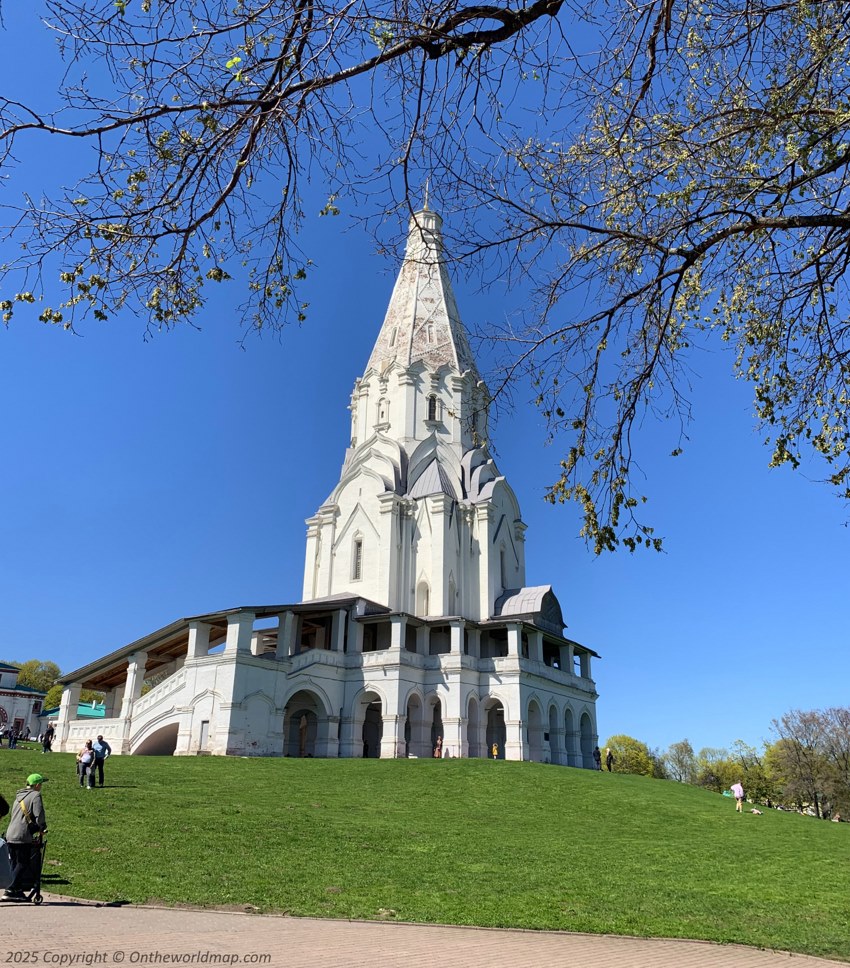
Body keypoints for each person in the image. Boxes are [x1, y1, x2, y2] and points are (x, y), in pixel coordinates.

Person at [3, 773, 48, 901]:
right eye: (41, 784)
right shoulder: (35, 795)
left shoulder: (18, 796)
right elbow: (39, 814)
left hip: (11, 833)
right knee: (23, 863)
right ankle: (10, 888)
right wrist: (42, 827)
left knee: (14, 862)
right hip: (22, 834)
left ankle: (15, 890)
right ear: (37, 785)